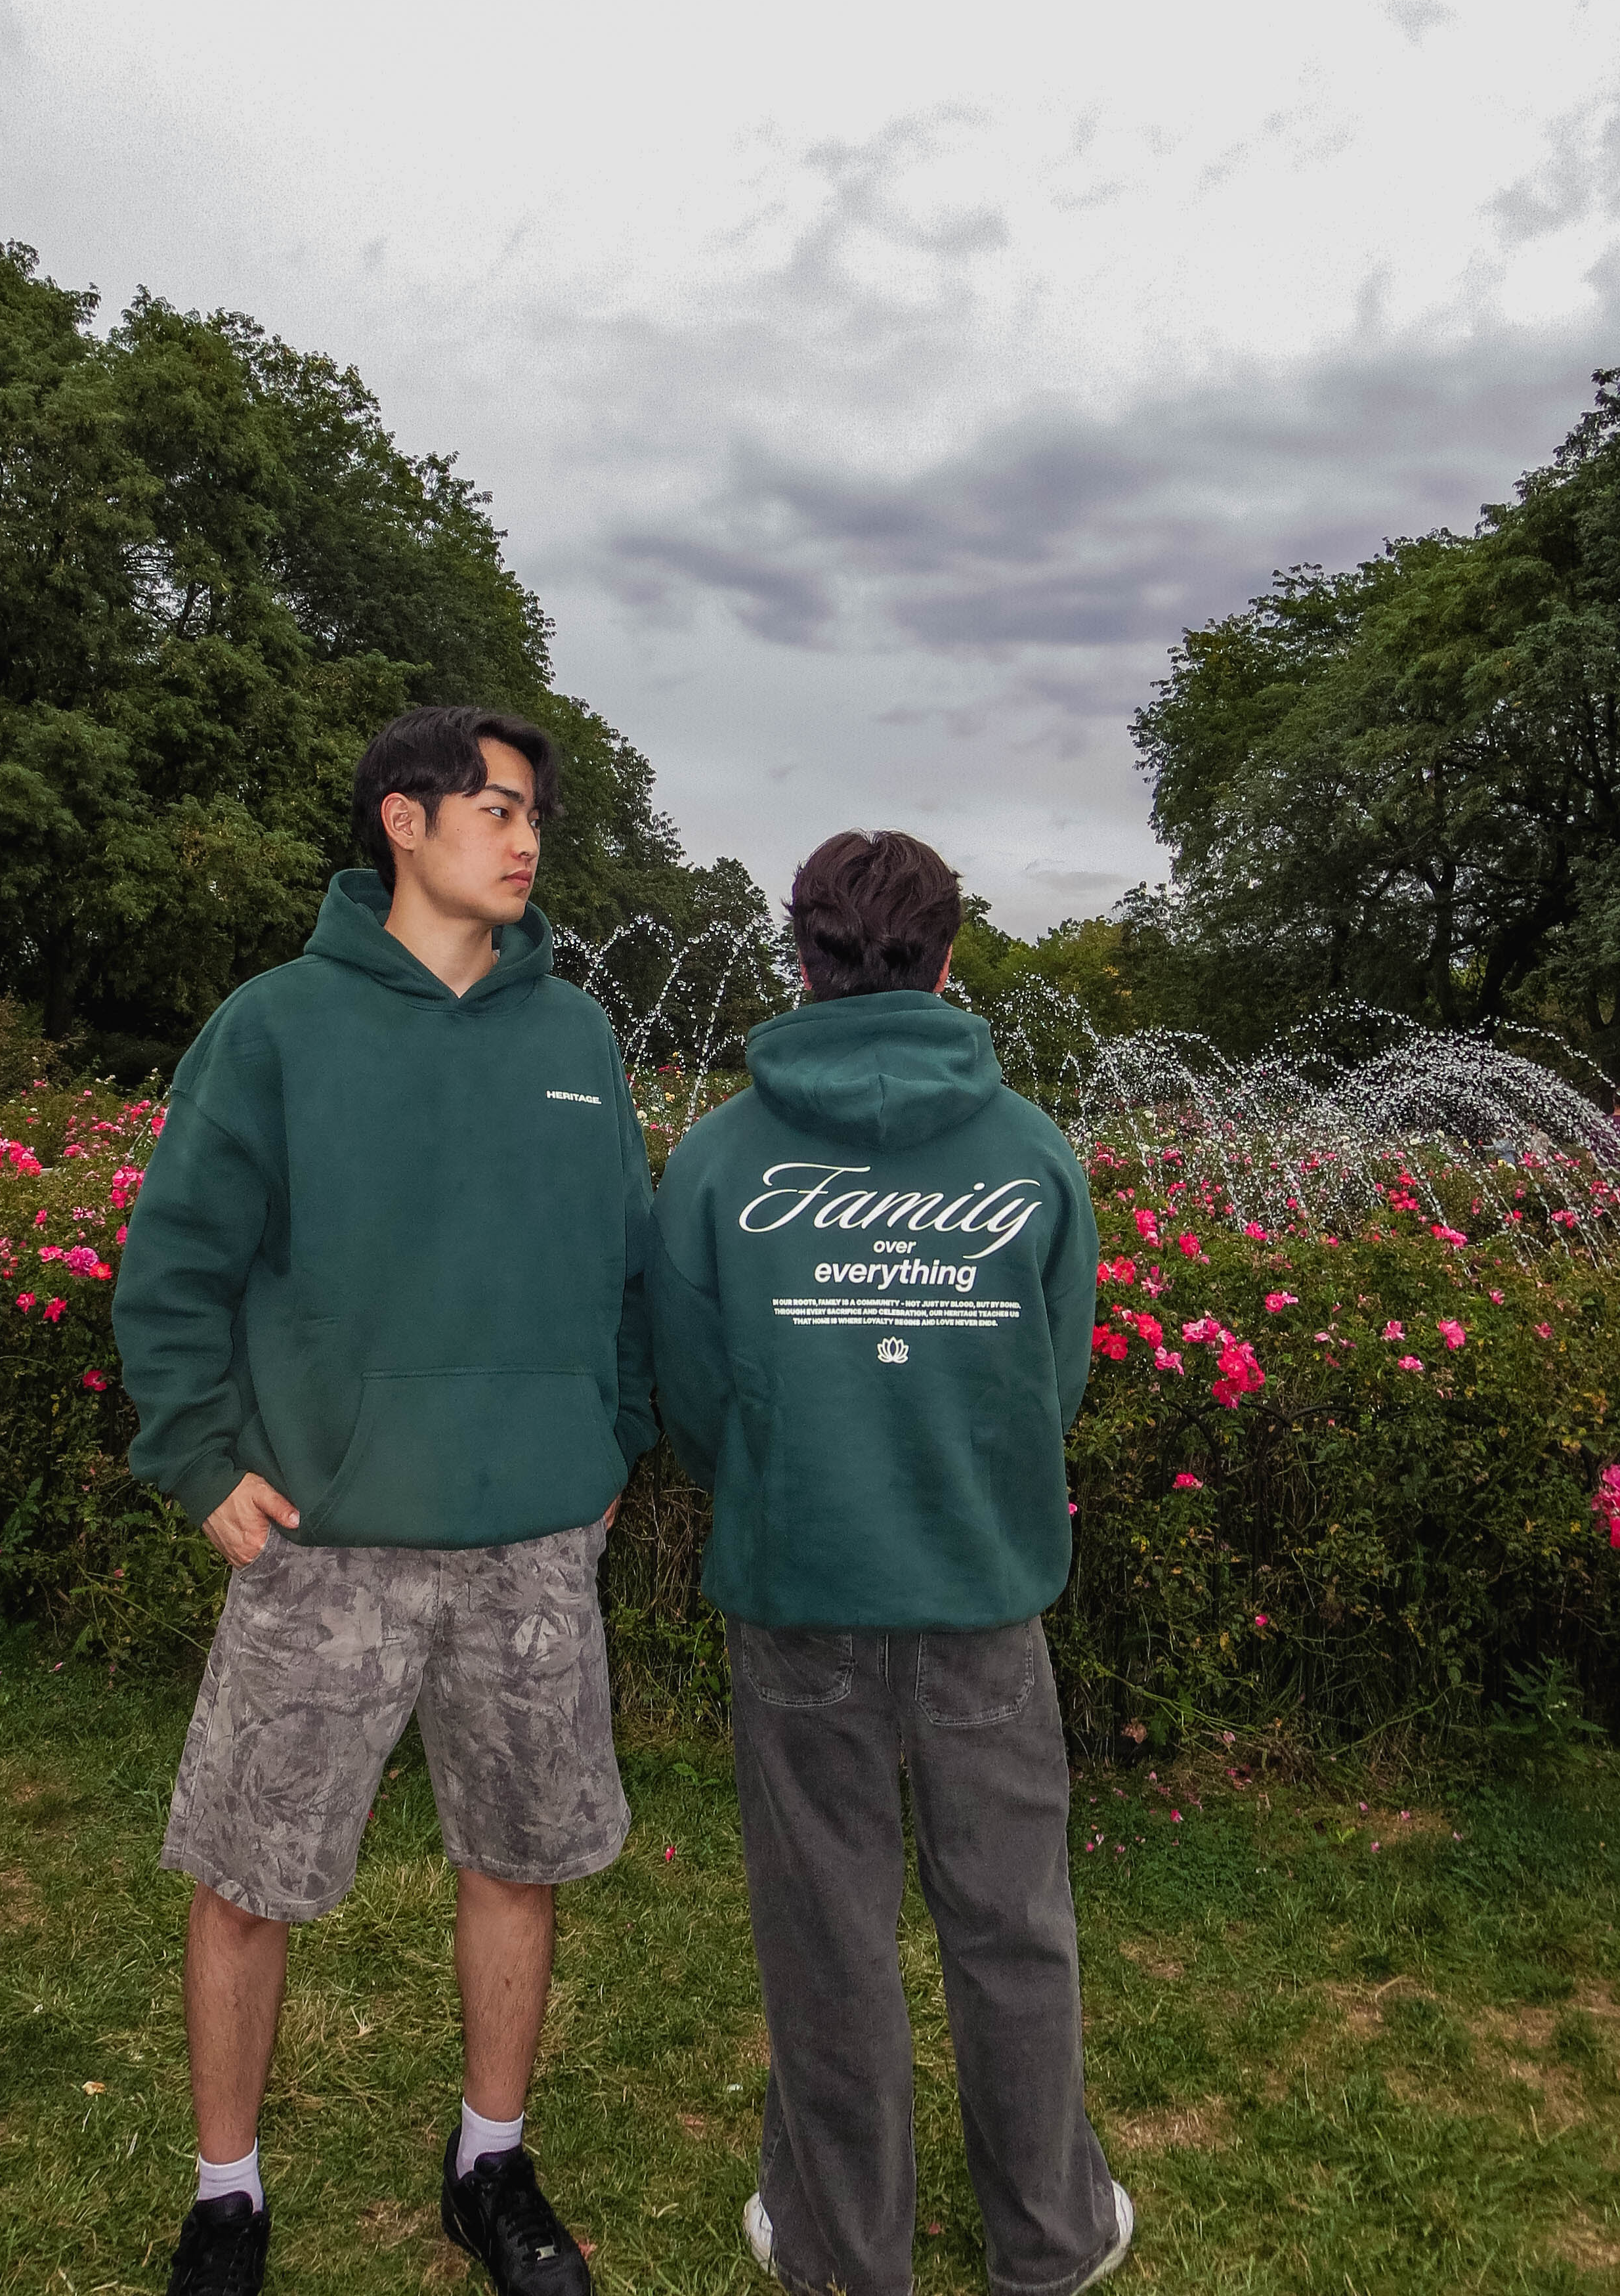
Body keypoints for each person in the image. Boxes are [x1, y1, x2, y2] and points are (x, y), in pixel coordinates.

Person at [115, 706, 655, 2296]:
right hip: (324, 1547)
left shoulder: (578, 1040)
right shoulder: (277, 1026)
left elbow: (628, 1270)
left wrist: (607, 1441)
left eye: (536, 810)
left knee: (519, 1857)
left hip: (534, 1548)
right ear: (402, 821)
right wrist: (200, 1457)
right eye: (496, 805)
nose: (529, 835)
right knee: (246, 1873)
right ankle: (227, 2191)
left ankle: (492, 2162)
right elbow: (175, 1265)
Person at [649, 829, 1132, 2296]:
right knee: (1014, 1926)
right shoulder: (1030, 1145)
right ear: (949, 953)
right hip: (986, 1596)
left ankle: (845, 2248)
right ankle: (1047, 2237)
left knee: (829, 1938)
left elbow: (691, 1392)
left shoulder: (725, 1151)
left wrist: (803, 1481)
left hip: (800, 1598)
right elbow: (1050, 1381)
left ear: (799, 954)